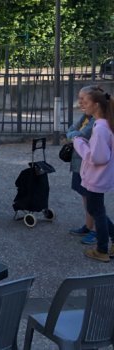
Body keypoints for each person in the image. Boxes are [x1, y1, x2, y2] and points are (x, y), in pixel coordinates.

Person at [72, 86, 114, 263]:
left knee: (96, 211)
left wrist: (79, 142)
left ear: (96, 105)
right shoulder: (104, 124)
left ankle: (102, 249)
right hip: (99, 175)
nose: (82, 104)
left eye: (86, 102)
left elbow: (98, 157)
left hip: (97, 176)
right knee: (96, 209)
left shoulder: (101, 128)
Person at [67, 89, 96, 245]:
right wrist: (75, 135)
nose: (80, 103)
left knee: (92, 198)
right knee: (84, 195)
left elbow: (81, 135)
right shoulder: (85, 117)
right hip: (79, 163)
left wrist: (74, 135)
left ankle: (96, 230)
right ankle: (88, 225)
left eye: (83, 99)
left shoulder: (96, 121)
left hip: (88, 165)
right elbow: (71, 131)